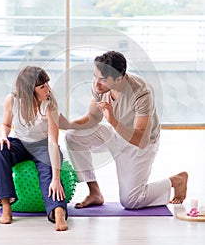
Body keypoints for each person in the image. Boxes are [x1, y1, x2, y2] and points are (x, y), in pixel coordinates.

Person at [59, 51, 188, 209]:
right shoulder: (99, 87)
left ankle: (176, 180)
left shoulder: (141, 92)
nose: (96, 83)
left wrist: (112, 120)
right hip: (115, 134)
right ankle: (94, 192)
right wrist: (68, 125)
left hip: (140, 145)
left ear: (119, 78)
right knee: (73, 136)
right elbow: (93, 117)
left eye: (103, 80)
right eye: (95, 76)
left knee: (131, 201)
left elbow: (140, 139)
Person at [0, 66, 68, 231]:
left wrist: (56, 179)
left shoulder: (50, 105)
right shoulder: (12, 100)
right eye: (42, 87)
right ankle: (6, 207)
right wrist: (3, 136)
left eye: (47, 84)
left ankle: (58, 211)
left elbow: (53, 142)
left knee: (48, 170)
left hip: (43, 145)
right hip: (20, 143)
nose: (48, 89)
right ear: (28, 91)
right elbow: (5, 124)